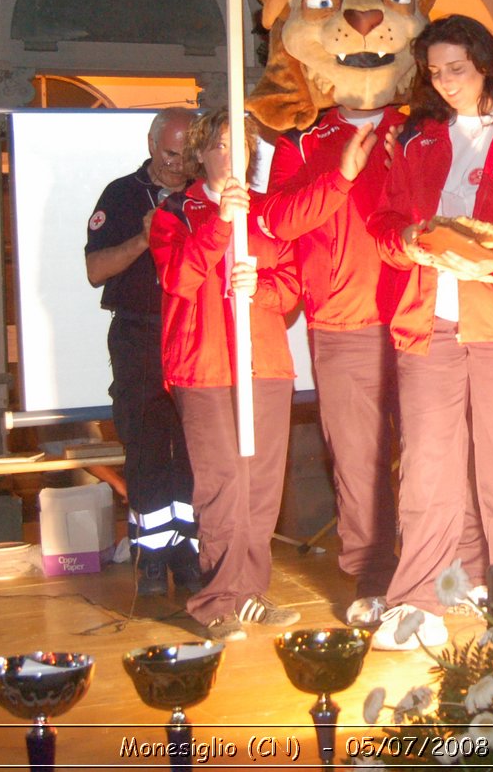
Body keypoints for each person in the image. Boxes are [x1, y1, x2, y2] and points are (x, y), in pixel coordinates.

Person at [367, 15, 493, 651]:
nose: (446, 82)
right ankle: (418, 597)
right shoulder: (418, 139)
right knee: (426, 463)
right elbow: (387, 221)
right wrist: (404, 241)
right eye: (435, 71)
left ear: (485, 62)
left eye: (458, 68)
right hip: (429, 321)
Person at [150, 107, 304, 640]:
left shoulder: (268, 213)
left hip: (264, 363)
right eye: (219, 143)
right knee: (221, 486)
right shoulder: (175, 211)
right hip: (206, 365)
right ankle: (215, 600)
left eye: (240, 143)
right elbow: (179, 276)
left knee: (261, 486)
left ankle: (249, 593)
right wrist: (220, 225)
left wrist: (258, 287)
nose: (230, 152)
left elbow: (291, 286)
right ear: (201, 153)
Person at [259, 96, 404, 628]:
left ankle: (443, 569)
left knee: (435, 449)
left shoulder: (419, 125)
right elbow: (277, 219)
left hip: (423, 311)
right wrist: (341, 177)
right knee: (359, 461)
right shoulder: (302, 138)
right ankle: (372, 576)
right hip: (343, 321)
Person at [85, 106, 199, 596]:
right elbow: (95, 270)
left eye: (186, 156)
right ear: (152, 145)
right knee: (147, 447)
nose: (177, 166)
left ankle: (192, 557)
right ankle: (151, 557)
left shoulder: (205, 192)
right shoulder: (122, 194)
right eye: (170, 155)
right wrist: (143, 240)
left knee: (197, 448)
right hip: (139, 335)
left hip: (195, 333)